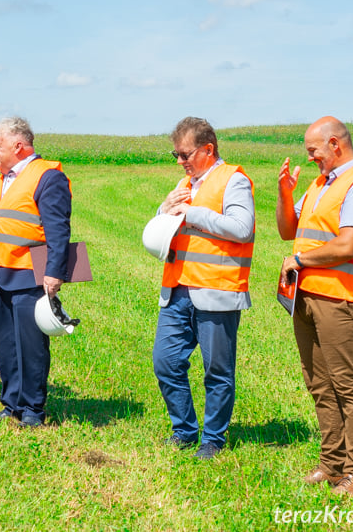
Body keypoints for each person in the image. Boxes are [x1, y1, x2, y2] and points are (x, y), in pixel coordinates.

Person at [277, 116, 353, 497]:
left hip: (344, 300)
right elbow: (287, 231)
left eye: (314, 151)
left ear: (335, 144)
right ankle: (331, 463)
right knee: (320, 385)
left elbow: (348, 246)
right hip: (308, 298)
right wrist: (284, 193)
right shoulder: (320, 184)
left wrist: (301, 261)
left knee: (348, 386)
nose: (310, 158)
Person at [152, 116, 255, 460]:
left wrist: (193, 213)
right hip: (177, 289)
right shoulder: (185, 184)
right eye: (176, 155)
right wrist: (164, 209)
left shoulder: (234, 180)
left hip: (217, 289)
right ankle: (184, 430)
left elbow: (242, 229)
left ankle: (213, 438)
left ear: (208, 150)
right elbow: (164, 228)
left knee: (217, 372)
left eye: (185, 155)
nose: (180, 162)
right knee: (165, 362)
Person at [0, 117, 71, 427]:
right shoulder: (0, 181)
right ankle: (11, 404)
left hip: (29, 273)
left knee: (31, 347)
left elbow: (58, 229)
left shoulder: (47, 176)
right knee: (7, 346)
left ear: (18, 145)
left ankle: (33, 411)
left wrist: (54, 273)